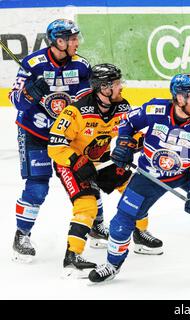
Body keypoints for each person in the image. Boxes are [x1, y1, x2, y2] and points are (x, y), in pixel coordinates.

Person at [88, 73, 190, 283]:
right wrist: (123, 143)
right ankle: (112, 264)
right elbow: (126, 122)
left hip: (189, 174)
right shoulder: (155, 109)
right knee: (121, 222)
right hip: (150, 175)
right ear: (179, 98)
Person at [47, 63, 162, 278]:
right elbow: (55, 145)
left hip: (102, 161)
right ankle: (72, 257)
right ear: (103, 88)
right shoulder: (76, 110)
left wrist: (134, 144)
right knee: (87, 204)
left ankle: (139, 232)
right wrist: (78, 162)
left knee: (136, 189)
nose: (121, 87)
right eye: (117, 84)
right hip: (71, 163)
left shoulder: (122, 107)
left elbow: (131, 135)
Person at [8, 18, 103, 262]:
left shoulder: (82, 66)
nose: (76, 42)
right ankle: (22, 234)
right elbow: (16, 100)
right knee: (37, 186)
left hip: (67, 135)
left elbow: (89, 101)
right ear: (58, 41)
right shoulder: (33, 64)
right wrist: (29, 93)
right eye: (72, 39)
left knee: (87, 174)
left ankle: (96, 224)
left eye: (76, 38)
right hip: (35, 133)